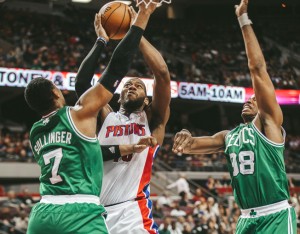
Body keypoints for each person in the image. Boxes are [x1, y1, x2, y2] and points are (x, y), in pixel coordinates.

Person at [24, 3, 157, 233]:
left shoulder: (36, 133)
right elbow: (114, 70)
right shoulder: (78, 114)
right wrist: (140, 20)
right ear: (56, 93)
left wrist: (127, 148)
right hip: (80, 211)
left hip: (42, 213)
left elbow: (92, 153)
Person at [172, 0, 297, 233]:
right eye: (247, 98)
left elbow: (258, 69)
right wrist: (185, 135)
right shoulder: (229, 136)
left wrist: (243, 20)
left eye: (254, 98)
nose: (248, 99)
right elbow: (189, 146)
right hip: (245, 219)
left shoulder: (269, 123)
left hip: (275, 215)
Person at [75, 5, 171, 233]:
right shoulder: (106, 115)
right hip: (95, 213)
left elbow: (162, 74)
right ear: (117, 97)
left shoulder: (153, 121)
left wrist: (135, 31)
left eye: (139, 85)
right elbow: (82, 85)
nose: (132, 85)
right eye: (127, 84)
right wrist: (101, 40)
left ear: (147, 101)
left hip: (131, 213)